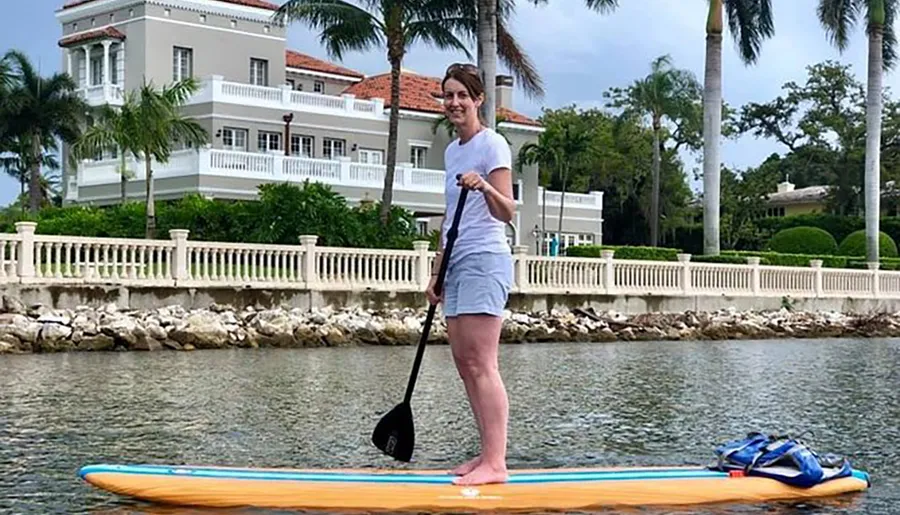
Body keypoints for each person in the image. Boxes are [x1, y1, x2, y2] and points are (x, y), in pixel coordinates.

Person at [425, 62, 516, 486]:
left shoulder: (492, 145)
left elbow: (507, 211)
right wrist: (436, 271)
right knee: (464, 363)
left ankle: (496, 464)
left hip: (485, 259)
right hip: (458, 262)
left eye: (463, 94)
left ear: (478, 99)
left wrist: (485, 187)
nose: (455, 102)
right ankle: (485, 456)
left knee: (482, 362)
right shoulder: (451, 151)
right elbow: (449, 217)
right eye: (449, 95)